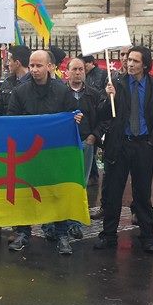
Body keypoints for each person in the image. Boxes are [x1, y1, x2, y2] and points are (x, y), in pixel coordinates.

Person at [95, 46, 153, 254]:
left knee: (142, 193)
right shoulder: (116, 83)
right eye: (128, 60)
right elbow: (103, 113)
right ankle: (108, 235)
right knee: (113, 193)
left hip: (143, 145)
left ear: (145, 64)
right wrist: (107, 96)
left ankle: (147, 236)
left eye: (135, 61)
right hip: (120, 144)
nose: (130, 64)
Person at [7, 49, 83, 255]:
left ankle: (61, 234)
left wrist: (76, 119)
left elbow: (73, 116)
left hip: (54, 154)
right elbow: (11, 120)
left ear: (50, 67)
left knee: (57, 193)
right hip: (28, 154)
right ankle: (23, 232)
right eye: (31, 65)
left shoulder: (62, 91)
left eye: (39, 65)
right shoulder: (20, 91)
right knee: (25, 194)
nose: (34, 69)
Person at [62, 57, 101, 240]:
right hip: (66, 145)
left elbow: (101, 118)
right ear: (67, 71)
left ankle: (76, 222)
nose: (78, 73)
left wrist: (94, 135)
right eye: (74, 69)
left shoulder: (93, 94)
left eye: (81, 69)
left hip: (86, 142)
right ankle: (62, 220)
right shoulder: (61, 93)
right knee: (65, 182)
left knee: (80, 184)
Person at [0, 44, 30, 116]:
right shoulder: (7, 82)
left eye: (9, 61)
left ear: (17, 63)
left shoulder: (34, 83)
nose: (7, 64)